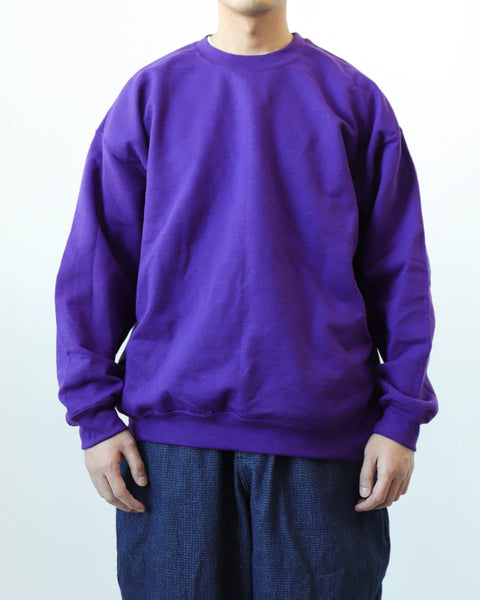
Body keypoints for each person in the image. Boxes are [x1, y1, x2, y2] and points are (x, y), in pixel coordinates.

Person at [54, 1, 439, 598]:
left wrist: (401, 419)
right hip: (172, 454)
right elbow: (96, 264)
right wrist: (94, 417)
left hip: (325, 448)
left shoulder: (354, 100)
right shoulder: (151, 97)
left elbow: (400, 272)